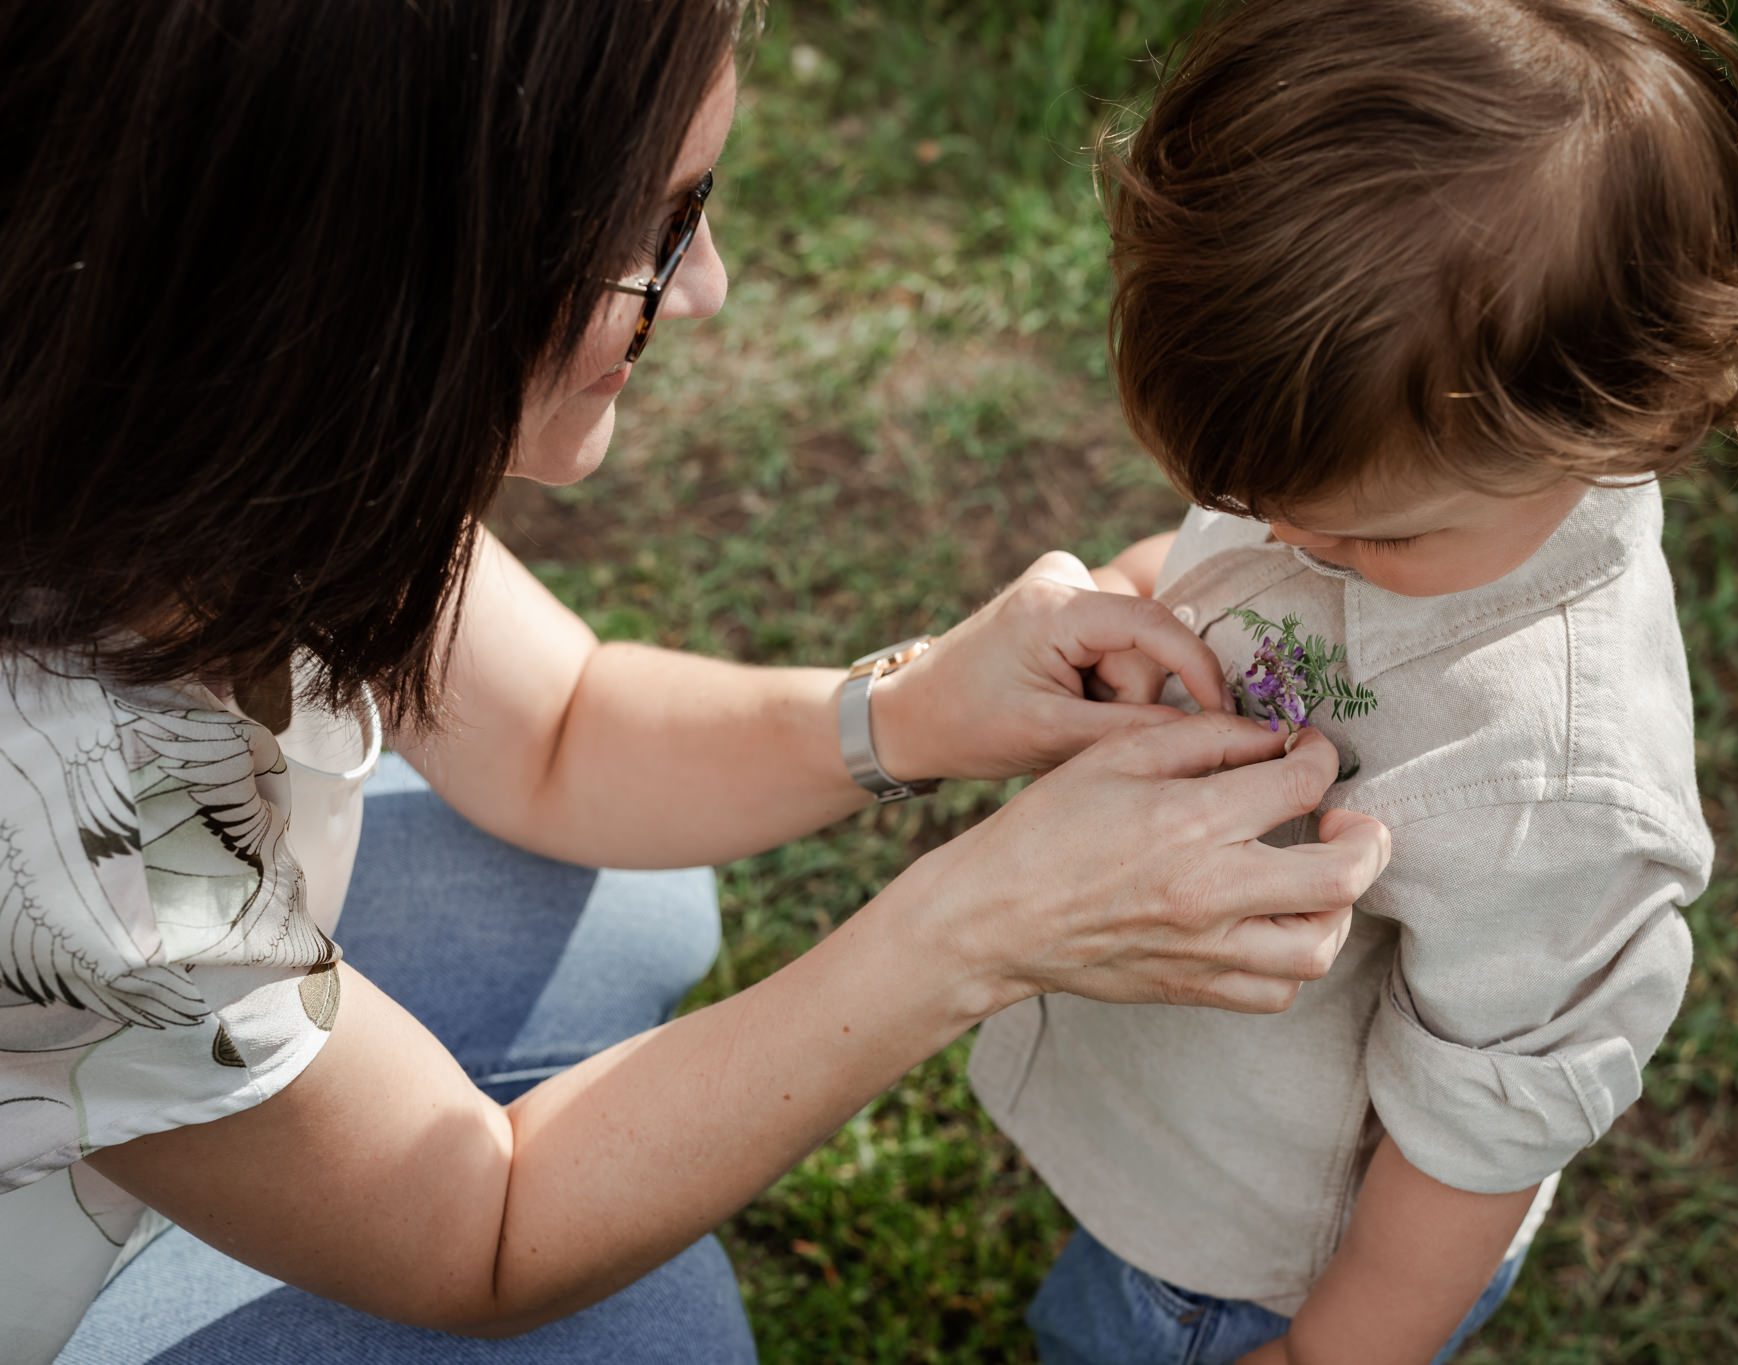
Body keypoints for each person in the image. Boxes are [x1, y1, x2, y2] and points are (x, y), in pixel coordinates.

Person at [0, 3, 1397, 1361]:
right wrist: (974, 925)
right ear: (387, 259)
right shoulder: (64, 792)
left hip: (92, 1070)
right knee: (641, 1330)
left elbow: (556, 730)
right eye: (658, 229)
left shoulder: (231, 436)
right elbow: (483, 1234)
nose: (709, 284)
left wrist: (907, 711)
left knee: (631, 906)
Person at [964, 1, 1738, 1362]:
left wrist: (1324, 1351)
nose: (1293, 541)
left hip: (1256, 1267)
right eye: (1251, 500)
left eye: (1362, 535)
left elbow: (1480, 1127)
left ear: (1621, 415)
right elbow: (1252, 559)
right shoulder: (1389, 449)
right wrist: (1138, 599)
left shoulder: (1552, 775)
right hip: (1187, 1127)